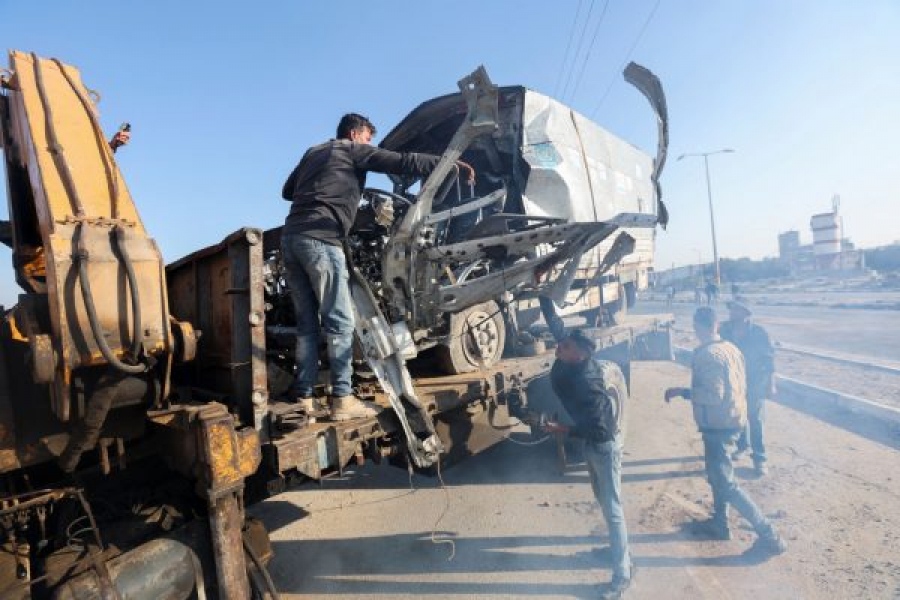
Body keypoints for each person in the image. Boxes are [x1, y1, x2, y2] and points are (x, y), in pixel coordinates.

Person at [280, 113, 474, 421]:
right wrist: (449, 163)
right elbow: (402, 162)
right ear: (356, 134)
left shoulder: (314, 152)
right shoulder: (349, 149)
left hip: (292, 238)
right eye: (369, 138)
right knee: (340, 322)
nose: (369, 144)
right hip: (323, 239)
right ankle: (342, 399)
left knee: (307, 325)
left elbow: (288, 192)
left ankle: (303, 397)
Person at [664, 307, 786, 554]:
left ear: (698, 327)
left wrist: (683, 392)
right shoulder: (731, 348)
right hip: (733, 420)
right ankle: (720, 524)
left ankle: (768, 534)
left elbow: (713, 395)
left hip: (718, 425)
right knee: (717, 476)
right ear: (716, 325)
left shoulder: (708, 355)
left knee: (726, 483)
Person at [538, 300, 633, 598]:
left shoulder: (587, 384)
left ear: (580, 355)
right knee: (605, 503)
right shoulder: (573, 356)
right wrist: (544, 294)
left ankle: (622, 574)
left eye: (564, 348)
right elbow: (557, 327)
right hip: (595, 444)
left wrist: (561, 430)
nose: (558, 348)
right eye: (561, 345)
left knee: (613, 509)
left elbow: (599, 430)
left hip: (603, 446)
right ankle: (619, 552)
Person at [720, 300, 775, 476]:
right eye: (731, 309)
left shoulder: (759, 333)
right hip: (734, 380)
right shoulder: (725, 329)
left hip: (756, 381)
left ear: (746, 312)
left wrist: (771, 384)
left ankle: (760, 458)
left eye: (735, 309)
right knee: (738, 415)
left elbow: (769, 360)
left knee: (756, 420)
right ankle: (742, 446)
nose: (731, 312)